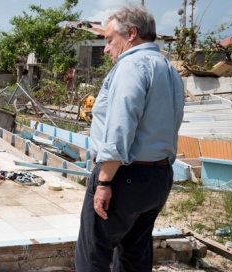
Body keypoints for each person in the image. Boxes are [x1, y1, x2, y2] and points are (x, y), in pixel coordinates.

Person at [75, 5, 184, 272]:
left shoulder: (132, 66)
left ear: (131, 33)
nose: (107, 48)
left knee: (94, 253)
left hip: (124, 175)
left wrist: (104, 181)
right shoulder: (169, 71)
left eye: (110, 40)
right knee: (135, 254)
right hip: (158, 177)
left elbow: (120, 127)